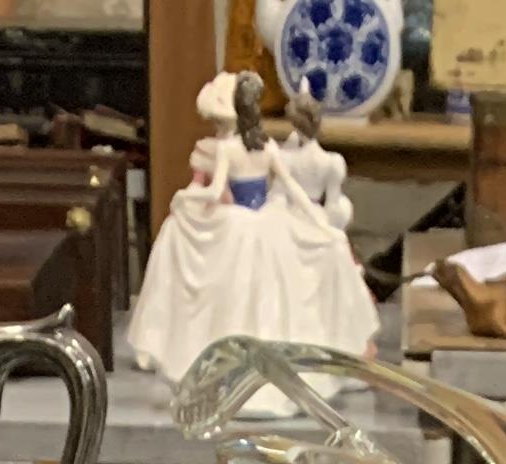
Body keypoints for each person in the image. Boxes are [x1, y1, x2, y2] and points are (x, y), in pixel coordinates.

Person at [127, 68, 376, 378]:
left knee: (241, 288)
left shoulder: (231, 150)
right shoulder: (268, 147)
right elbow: (295, 192)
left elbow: (217, 190)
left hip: (238, 224)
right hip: (264, 219)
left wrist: (183, 198)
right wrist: (321, 222)